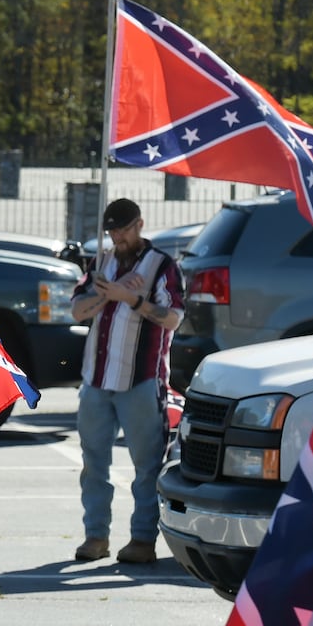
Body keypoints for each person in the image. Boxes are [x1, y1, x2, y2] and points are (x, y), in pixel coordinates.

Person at [71, 198, 183, 565]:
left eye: (123, 230)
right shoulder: (101, 262)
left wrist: (131, 299)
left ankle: (142, 538)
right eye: (112, 231)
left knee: (146, 465)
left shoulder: (162, 266)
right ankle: (96, 535)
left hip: (141, 378)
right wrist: (107, 294)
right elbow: (77, 309)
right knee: (93, 462)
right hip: (97, 378)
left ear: (140, 225)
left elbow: (172, 319)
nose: (118, 238)